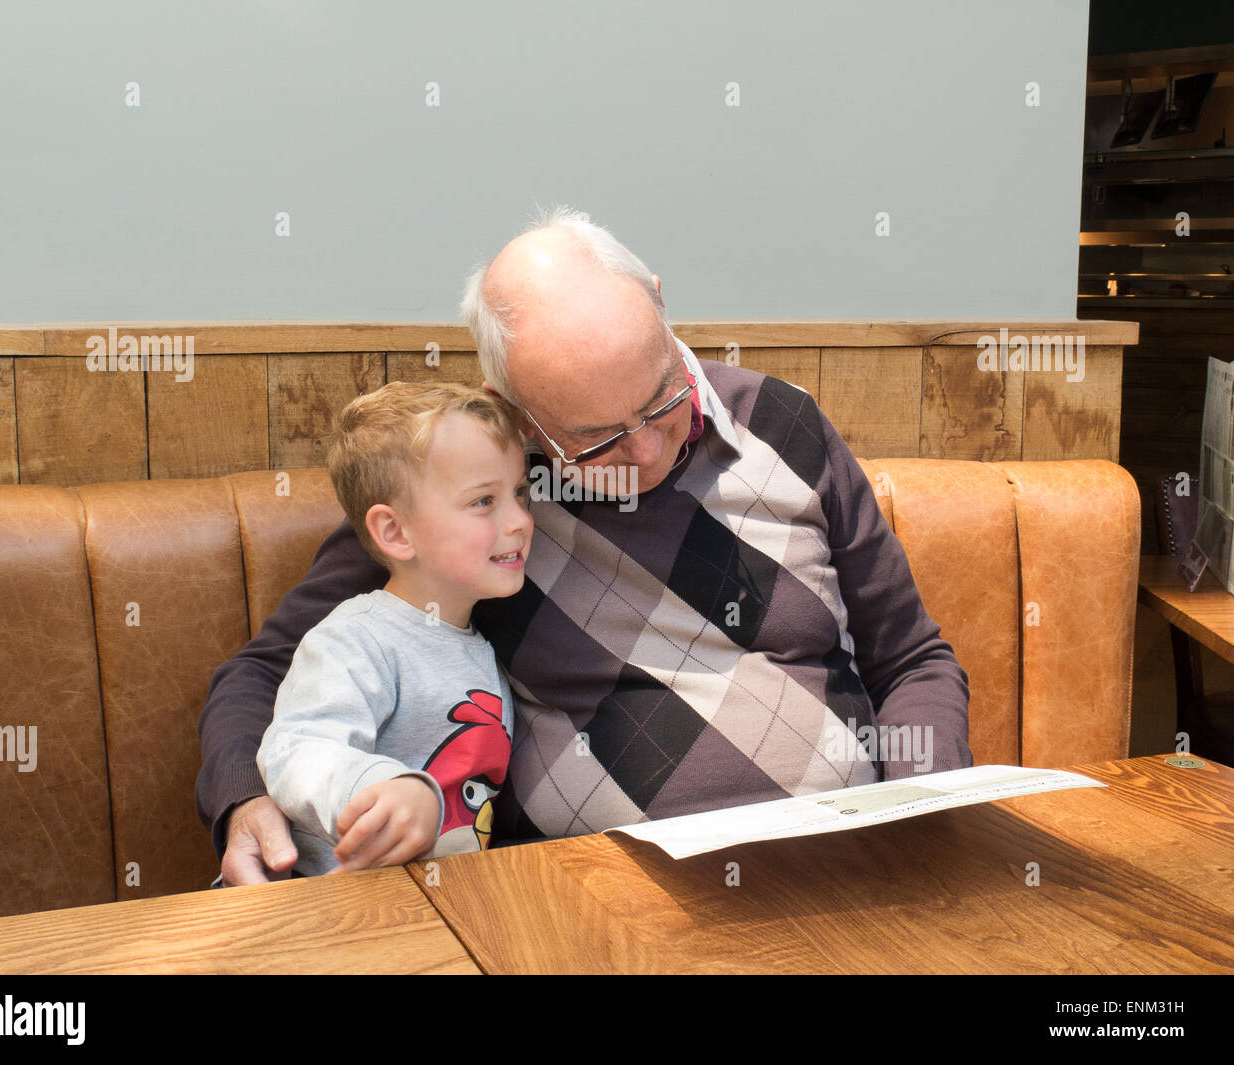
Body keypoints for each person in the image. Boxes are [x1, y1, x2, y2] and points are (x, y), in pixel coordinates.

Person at [197, 206, 972, 886]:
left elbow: (911, 658)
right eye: (596, 439)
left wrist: (915, 821)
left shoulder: (786, 424)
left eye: (662, 400)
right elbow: (266, 672)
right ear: (517, 412)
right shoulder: (476, 491)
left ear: (660, 305)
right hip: (599, 901)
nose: (644, 454)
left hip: (844, 869)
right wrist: (244, 800)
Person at [255, 381, 532, 874]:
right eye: (483, 501)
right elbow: (296, 747)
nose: (520, 521)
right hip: (341, 915)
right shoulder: (358, 639)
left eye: (519, 493)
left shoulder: (486, 648)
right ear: (395, 532)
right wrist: (383, 787)